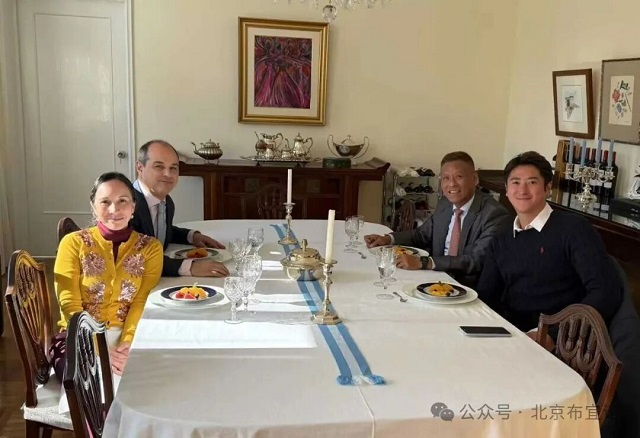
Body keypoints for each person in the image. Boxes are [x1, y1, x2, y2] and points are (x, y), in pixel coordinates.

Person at [476, 151, 639, 437]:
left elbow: (605, 291)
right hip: (516, 339)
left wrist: (552, 334)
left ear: (548, 188)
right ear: (506, 189)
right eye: (515, 182)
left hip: (565, 346)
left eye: (532, 182)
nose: (522, 190)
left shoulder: (572, 229)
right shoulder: (502, 239)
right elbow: (487, 296)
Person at [54, 172, 163, 377]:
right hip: (79, 336)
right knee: (85, 377)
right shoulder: (73, 243)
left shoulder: (150, 248)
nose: (114, 209)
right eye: (105, 202)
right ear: (94, 207)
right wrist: (99, 350)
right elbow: (69, 304)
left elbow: (141, 301)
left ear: (133, 207)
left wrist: (128, 342)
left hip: (128, 333)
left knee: (155, 375)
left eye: (123, 201)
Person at [364, 151, 511, 287]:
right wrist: (388, 239)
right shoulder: (445, 204)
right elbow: (421, 235)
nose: (451, 184)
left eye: (459, 177)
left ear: (475, 179)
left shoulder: (494, 215)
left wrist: (425, 262)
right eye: (446, 178)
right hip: (435, 278)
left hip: (468, 288)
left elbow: (475, 260)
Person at [130, 139, 229, 277]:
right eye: (159, 166)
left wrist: (192, 236)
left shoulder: (166, 202)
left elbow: (158, 232)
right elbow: (132, 257)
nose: (168, 174)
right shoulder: (125, 205)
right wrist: (189, 267)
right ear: (140, 167)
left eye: (173, 168)